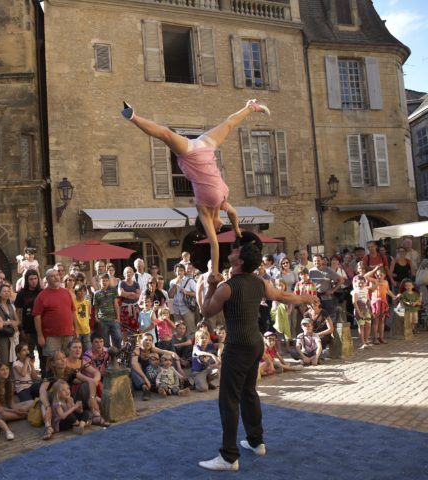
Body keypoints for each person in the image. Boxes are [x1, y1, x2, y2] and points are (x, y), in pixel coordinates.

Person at [199, 235, 318, 472]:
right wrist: (306, 297)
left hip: (238, 346)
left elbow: (206, 311)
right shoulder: (259, 282)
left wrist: (210, 285)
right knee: (249, 392)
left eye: (236, 251)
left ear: (239, 261)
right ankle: (256, 441)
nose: (232, 251)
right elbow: (283, 297)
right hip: (255, 343)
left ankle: (229, 457)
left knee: (229, 400)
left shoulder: (226, 288)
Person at [123, 100, 269, 274]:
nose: (220, 228)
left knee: (165, 134)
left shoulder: (204, 210)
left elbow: (214, 245)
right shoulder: (221, 204)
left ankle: (132, 116)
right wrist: (237, 230)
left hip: (190, 153)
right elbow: (233, 213)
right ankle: (251, 106)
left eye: (217, 229)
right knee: (229, 124)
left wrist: (214, 273)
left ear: (211, 226)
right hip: (206, 148)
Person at [33, 269, 76, 367]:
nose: (56, 277)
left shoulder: (66, 292)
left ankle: (66, 380)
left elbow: (73, 311)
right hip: (51, 336)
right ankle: (51, 381)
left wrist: (76, 329)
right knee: (51, 361)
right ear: (47, 279)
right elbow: (37, 317)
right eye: (52, 276)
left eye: (57, 275)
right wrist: (40, 336)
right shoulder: (41, 296)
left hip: (68, 334)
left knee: (67, 360)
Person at [365, 266, 394, 345]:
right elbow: (365, 276)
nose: (379, 276)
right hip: (375, 303)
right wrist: (374, 270)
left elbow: (387, 291)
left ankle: (381, 337)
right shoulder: (374, 281)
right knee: (376, 321)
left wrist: (394, 296)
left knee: (382, 321)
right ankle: (375, 338)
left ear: (384, 275)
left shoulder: (386, 282)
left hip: (383, 302)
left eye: (381, 275)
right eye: (377, 275)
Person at [92, 273, 121, 349]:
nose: (104, 282)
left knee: (118, 337)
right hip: (103, 320)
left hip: (113, 319)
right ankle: (107, 358)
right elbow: (96, 307)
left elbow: (116, 304)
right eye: (103, 281)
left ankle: (117, 354)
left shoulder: (113, 290)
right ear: (99, 282)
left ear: (109, 281)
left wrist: (118, 317)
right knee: (105, 342)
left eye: (106, 280)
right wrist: (96, 317)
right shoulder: (96, 294)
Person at [169, 263, 198, 335]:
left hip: (187, 308)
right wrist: (176, 284)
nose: (179, 272)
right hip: (176, 309)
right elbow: (171, 295)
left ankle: (191, 345)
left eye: (181, 270)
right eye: (178, 271)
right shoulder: (172, 282)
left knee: (191, 330)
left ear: (184, 271)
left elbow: (197, 293)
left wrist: (187, 292)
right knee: (179, 330)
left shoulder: (190, 281)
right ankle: (181, 345)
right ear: (175, 272)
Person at [352, 276, 373, 348]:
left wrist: (370, 310)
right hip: (359, 310)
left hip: (366, 310)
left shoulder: (366, 290)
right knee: (361, 326)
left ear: (365, 283)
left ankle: (366, 340)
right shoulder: (355, 291)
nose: (361, 284)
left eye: (362, 283)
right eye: (359, 283)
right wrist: (359, 313)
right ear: (356, 283)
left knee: (368, 325)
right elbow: (354, 303)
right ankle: (362, 342)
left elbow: (368, 300)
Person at [73, 284, 92, 352]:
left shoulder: (87, 302)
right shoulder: (72, 302)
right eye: (80, 291)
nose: (82, 293)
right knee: (77, 352)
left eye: (84, 291)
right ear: (76, 292)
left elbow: (89, 315)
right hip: (76, 331)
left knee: (88, 352)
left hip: (86, 330)